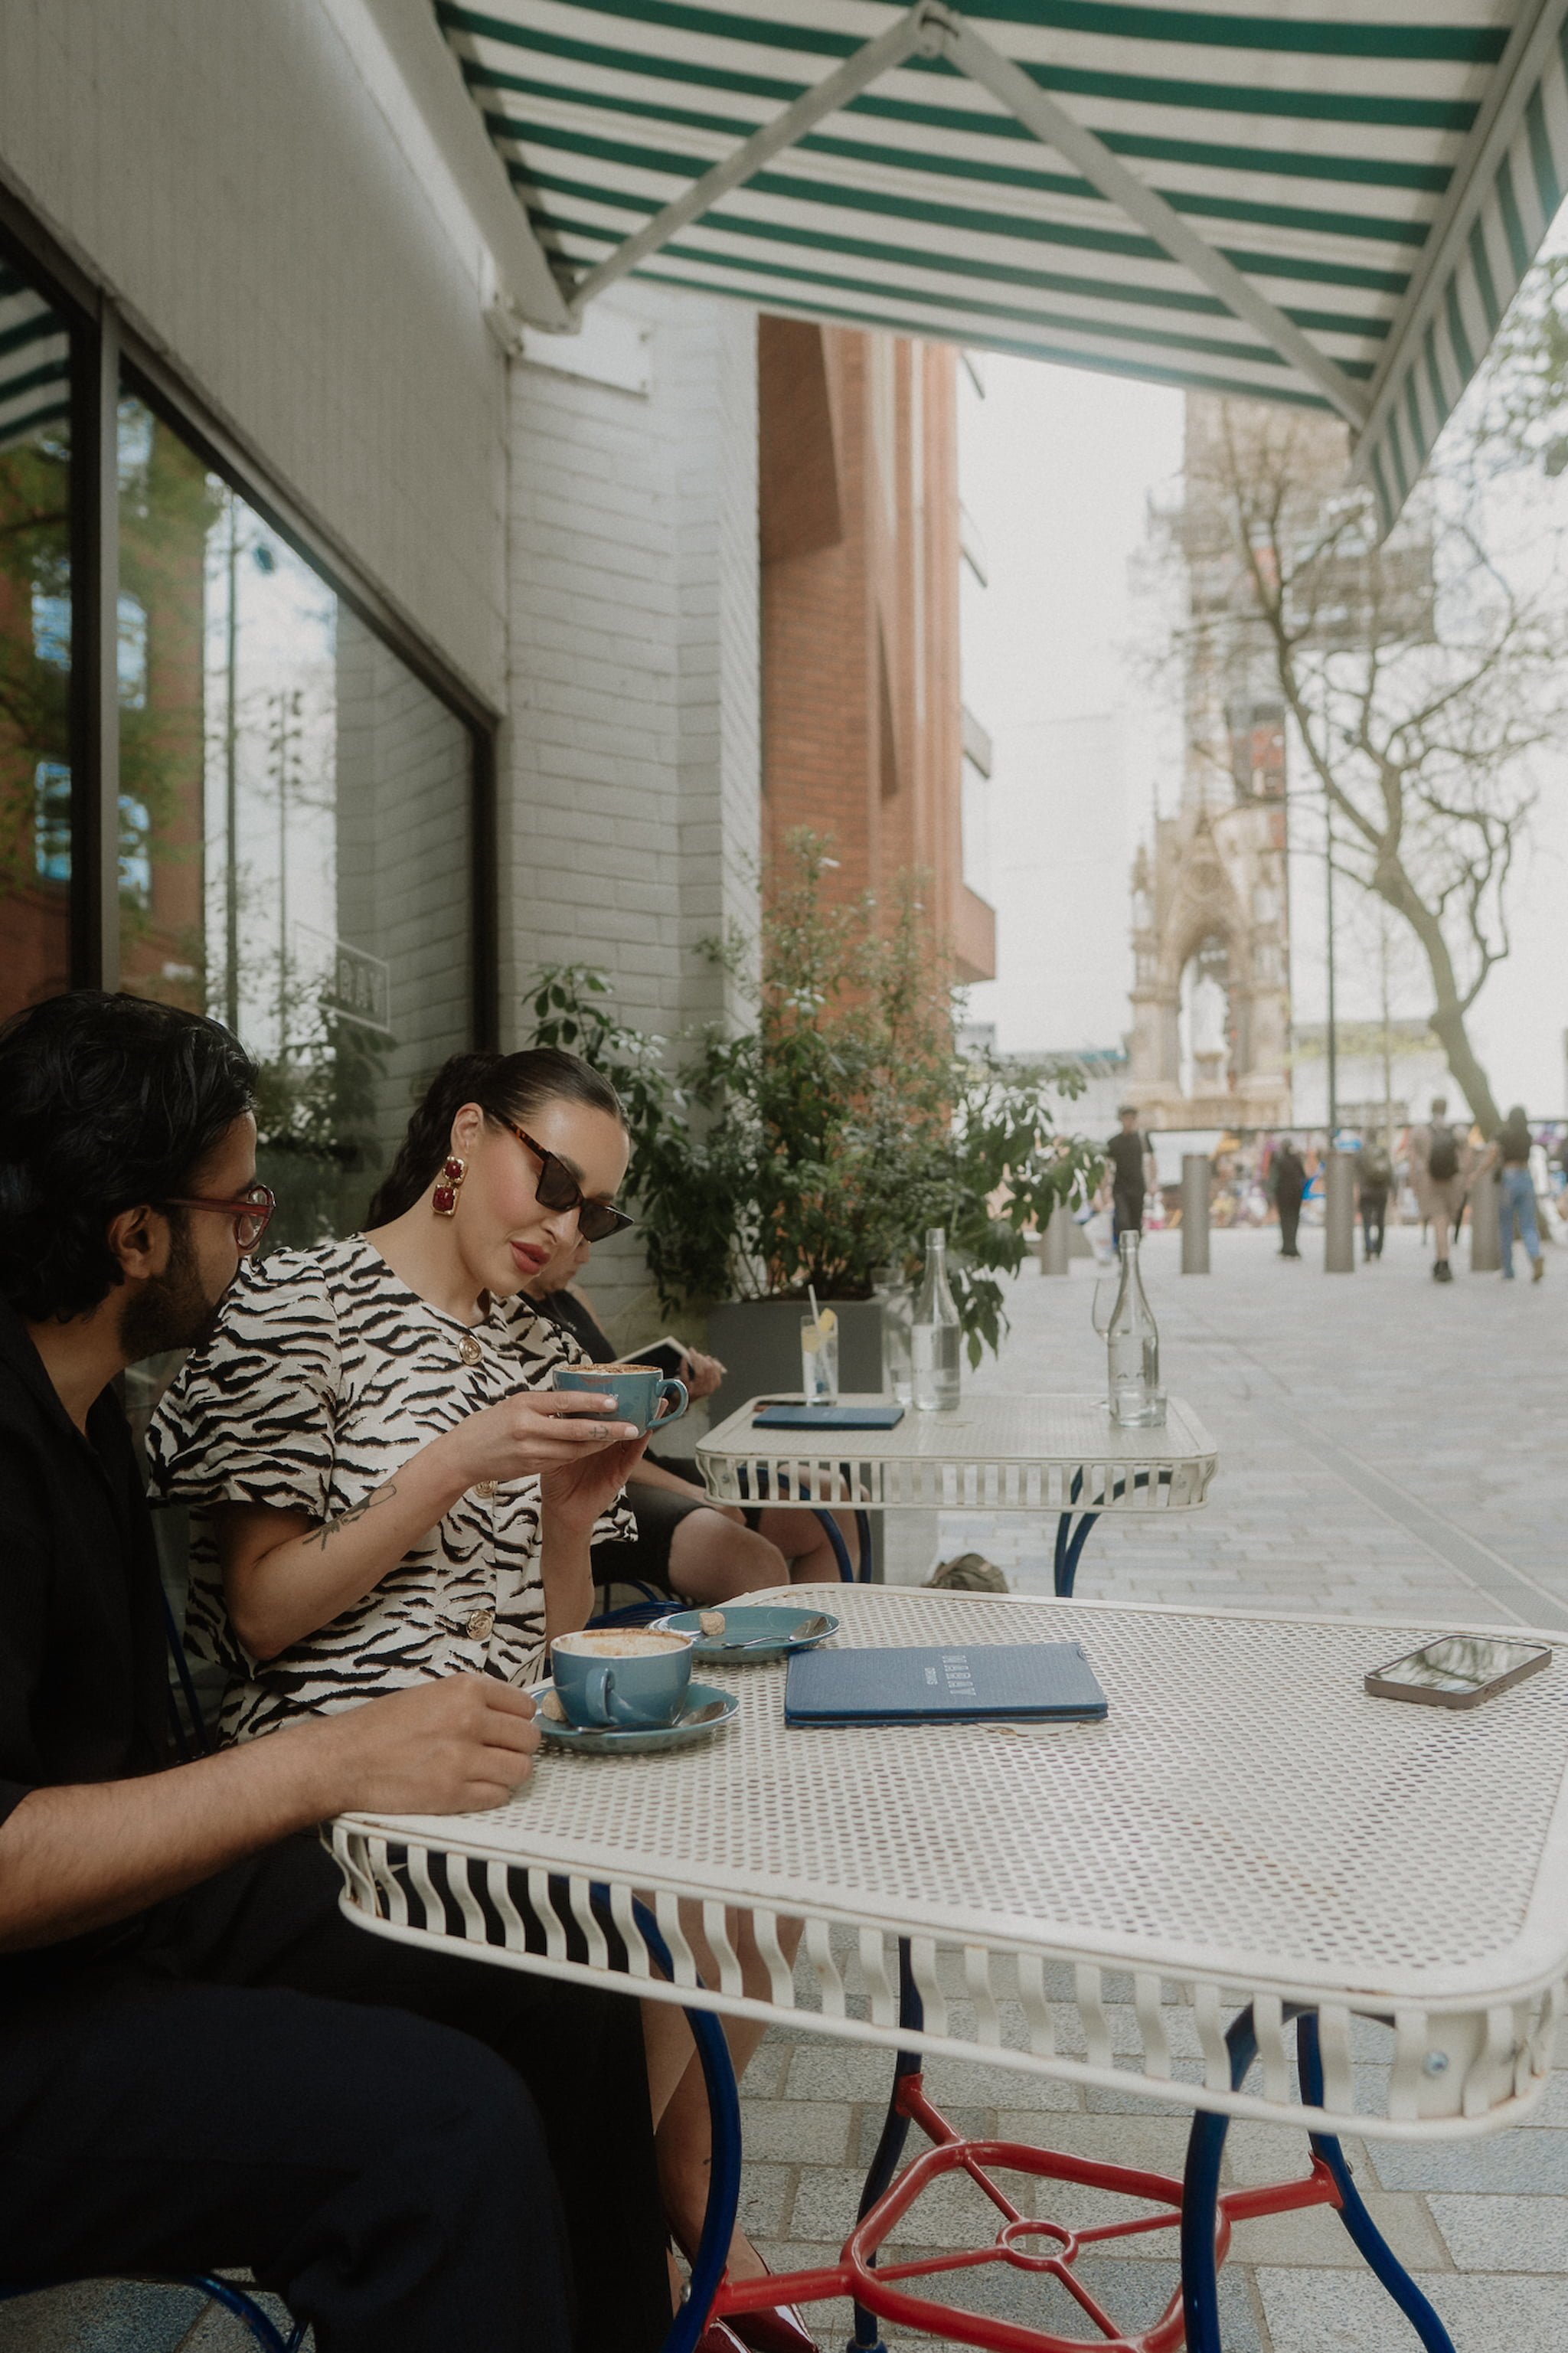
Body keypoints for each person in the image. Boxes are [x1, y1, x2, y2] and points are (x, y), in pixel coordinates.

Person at [0, 992, 667, 2353]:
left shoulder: (83, 1412)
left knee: (559, 1965)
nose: (258, 1237)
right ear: (134, 1235)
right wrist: (330, 1758)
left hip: (127, 1914)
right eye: (237, 1208)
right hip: (33, 2002)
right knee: (443, 2132)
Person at [150, 1049, 814, 2353]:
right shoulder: (301, 1299)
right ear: (465, 1136)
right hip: (336, 1797)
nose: (562, 1225)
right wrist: (460, 1459)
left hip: (503, 1760)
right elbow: (263, 1609)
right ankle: (625, 2244)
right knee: (613, 1944)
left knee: (771, 1839)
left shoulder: (531, 1345)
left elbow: (547, 1641)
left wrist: (569, 1514)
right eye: (550, 1180)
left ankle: (616, 2220)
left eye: (591, 1212)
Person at [531, 1234, 861, 1598]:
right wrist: (697, 1494)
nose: (587, 1256)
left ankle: (818, 1642)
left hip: (639, 1461)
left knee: (834, 1496)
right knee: (754, 1562)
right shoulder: (512, 1323)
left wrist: (681, 1396)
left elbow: (623, 1423)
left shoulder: (573, 1298)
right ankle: (768, 1647)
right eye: (579, 1244)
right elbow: (590, 1443)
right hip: (591, 1489)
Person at [1411, 1095, 1468, 1283]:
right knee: (1445, 1223)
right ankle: (1441, 1259)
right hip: (1452, 1183)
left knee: (1439, 1223)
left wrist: (1414, 1184)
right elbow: (1466, 1158)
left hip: (1431, 1182)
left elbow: (1413, 1160)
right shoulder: (1456, 1131)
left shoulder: (1420, 1132)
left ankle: (1443, 1262)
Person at [1488, 1106, 1546, 1283]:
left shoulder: (1503, 1135)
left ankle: (1508, 1270)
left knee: (1506, 1226)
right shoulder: (1527, 1136)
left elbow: (1492, 1155)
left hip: (1509, 1179)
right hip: (1526, 1178)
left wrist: (1477, 1174)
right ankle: (1535, 1254)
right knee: (1528, 1225)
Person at [1106, 1106, 1156, 1241]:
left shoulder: (1142, 1139)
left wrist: (1153, 1182)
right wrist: (1104, 1188)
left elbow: (1151, 1161)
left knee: (1136, 1221)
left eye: (1131, 1118)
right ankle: (1122, 1248)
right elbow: (1107, 1166)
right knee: (1123, 1220)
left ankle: (1134, 1248)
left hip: (1138, 1186)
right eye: (1126, 1118)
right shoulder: (1113, 1142)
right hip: (1120, 1187)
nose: (1129, 1121)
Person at [1357, 1132, 1393, 1263]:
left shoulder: (1362, 1153)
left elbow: (1356, 1172)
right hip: (1381, 1192)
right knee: (1380, 1221)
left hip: (1366, 1192)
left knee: (1366, 1222)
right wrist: (1393, 1191)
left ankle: (1368, 1248)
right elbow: (1390, 1172)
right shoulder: (1383, 1152)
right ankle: (1378, 1249)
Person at [1269, 1136, 1306, 1259]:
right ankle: (1293, 1247)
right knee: (1294, 1220)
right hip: (1296, 1193)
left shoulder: (1279, 1159)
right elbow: (1303, 1176)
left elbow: (1274, 1177)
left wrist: (1272, 1192)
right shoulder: (1297, 1159)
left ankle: (1286, 1247)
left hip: (1283, 1194)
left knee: (1285, 1220)